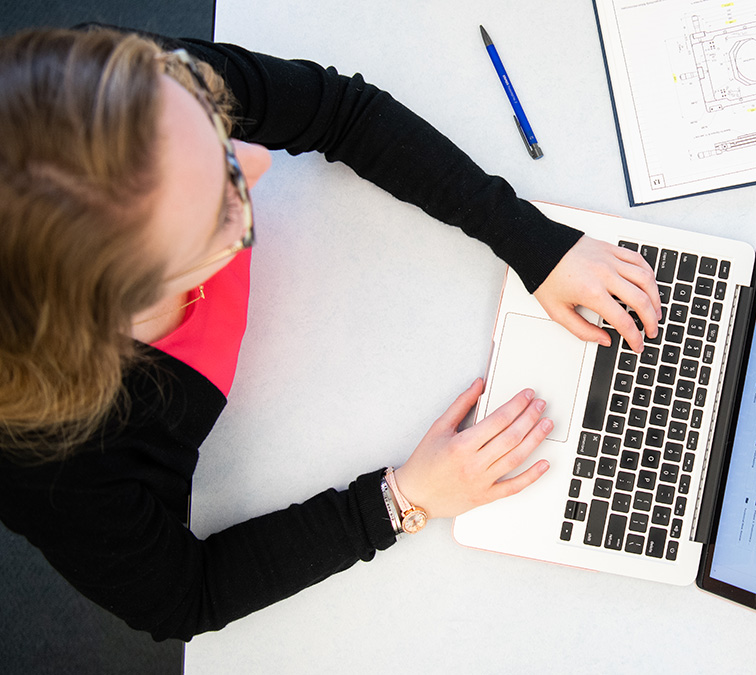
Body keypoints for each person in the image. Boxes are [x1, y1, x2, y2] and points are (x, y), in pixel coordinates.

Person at [0, 25, 661, 641]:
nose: (257, 161)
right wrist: (400, 499)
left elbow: (338, 112)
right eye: (224, 196)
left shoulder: (113, 97)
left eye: (215, 122)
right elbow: (181, 596)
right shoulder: (57, 466)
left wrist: (531, 240)